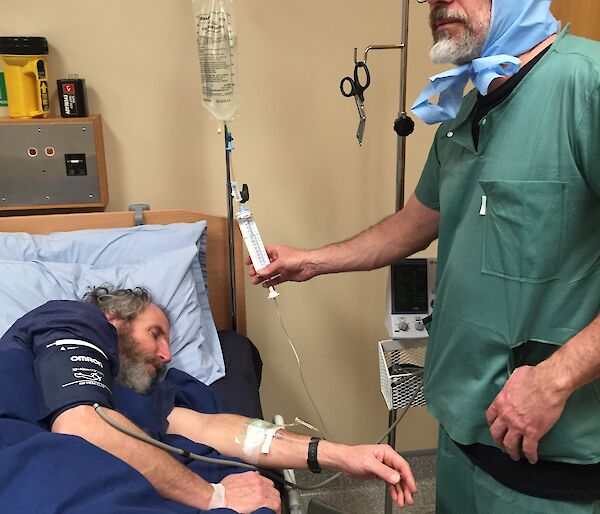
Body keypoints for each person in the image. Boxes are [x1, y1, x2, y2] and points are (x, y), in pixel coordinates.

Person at [247, 0, 600, 512]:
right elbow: (413, 224)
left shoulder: (585, 84)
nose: (437, 3)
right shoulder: (463, 109)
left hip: (552, 450)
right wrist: (314, 260)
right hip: (462, 428)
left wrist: (556, 376)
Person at [0, 286, 417, 514]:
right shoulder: (73, 321)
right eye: (155, 333)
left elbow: (216, 429)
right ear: (114, 319)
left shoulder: (150, 392)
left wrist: (338, 455)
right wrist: (213, 496)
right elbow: (82, 425)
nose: (165, 355)